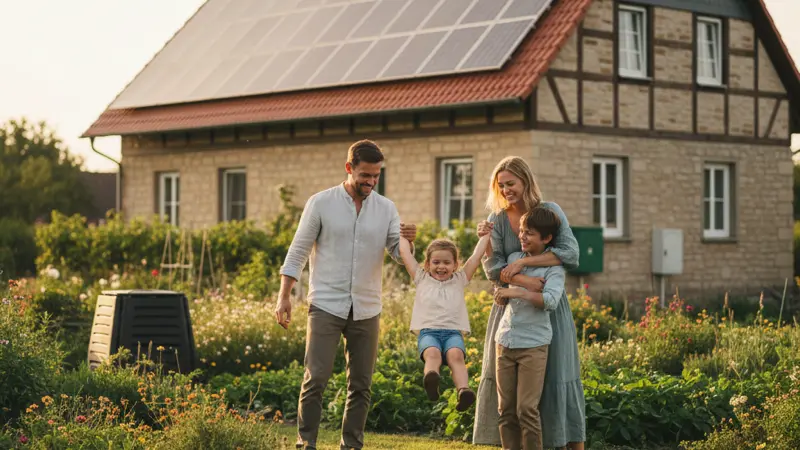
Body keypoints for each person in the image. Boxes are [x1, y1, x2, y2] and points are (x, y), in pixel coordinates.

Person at [274, 139, 417, 450]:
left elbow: (396, 251)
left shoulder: (386, 208)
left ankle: (351, 445)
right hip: (326, 304)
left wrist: (409, 242)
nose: (371, 182)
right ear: (349, 168)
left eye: (376, 175)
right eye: (365, 175)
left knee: (361, 385)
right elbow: (298, 251)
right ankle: (306, 442)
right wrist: (284, 295)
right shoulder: (321, 203)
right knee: (316, 379)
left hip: (367, 307)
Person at [473, 156, 586, 450]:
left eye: (511, 183)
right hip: (510, 311)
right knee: (508, 396)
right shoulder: (497, 219)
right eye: (501, 185)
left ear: (525, 181)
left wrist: (524, 263)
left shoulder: (549, 212)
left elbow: (570, 254)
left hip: (549, 311)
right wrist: (525, 281)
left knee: (557, 375)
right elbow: (494, 269)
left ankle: (564, 443)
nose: (506, 189)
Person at [492, 207, 566, 450]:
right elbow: (502, 289)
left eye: (529, 233)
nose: (522, 236)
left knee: (527, 409)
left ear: (546, 239)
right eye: (522, 231)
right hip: (505, 340)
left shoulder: (554, 269)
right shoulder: (513, 260)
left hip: (533, 345)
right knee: (506, 410)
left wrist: (516, 290)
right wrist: (502, 295)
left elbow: (550, 301)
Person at [398, 231, 491, 412]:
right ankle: (431, 381)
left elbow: (476, 256)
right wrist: (402, 234)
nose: (441, 266)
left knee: (456, 355)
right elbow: (405, 253)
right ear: (427, 264)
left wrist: (486, 234)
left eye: (447, 262)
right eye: (436, 262)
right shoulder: (421, 278)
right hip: (428, 332)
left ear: (456, 265)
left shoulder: (459, 279)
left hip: (452, 333)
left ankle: (463, 391)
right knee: (433, 354)